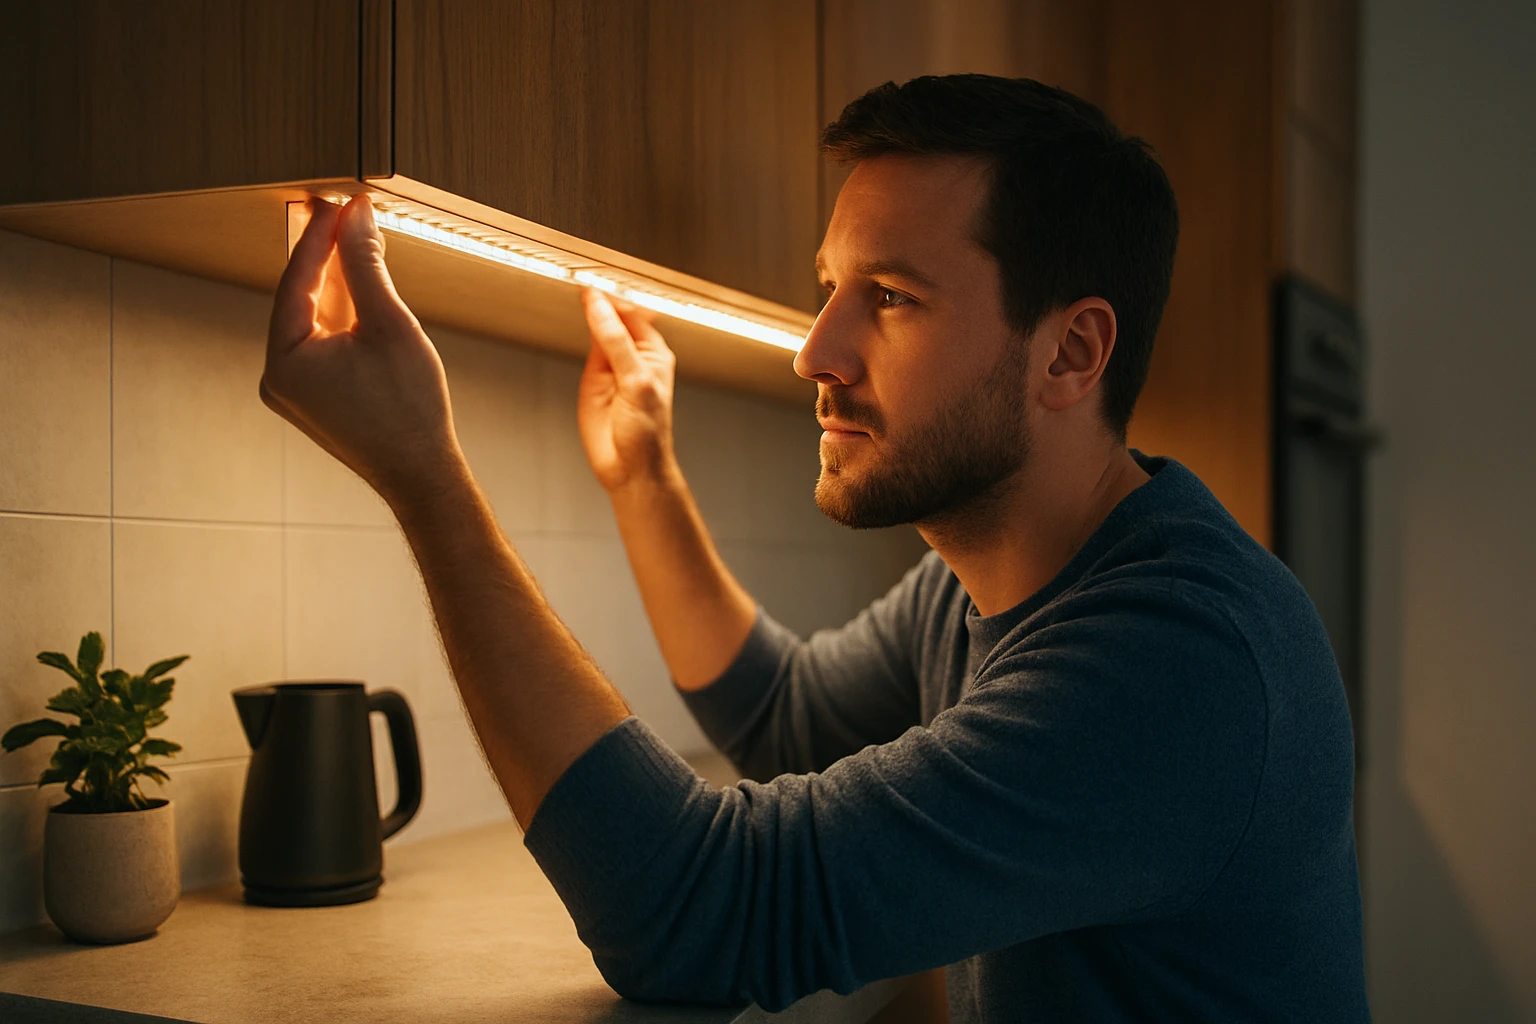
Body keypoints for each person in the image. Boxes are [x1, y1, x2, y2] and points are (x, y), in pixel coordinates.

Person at [259, 75, 1370, 1022]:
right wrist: (645, 477)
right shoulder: (984, 580)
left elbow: (702, 916)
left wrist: (428, 479)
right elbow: (785, 717)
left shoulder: (1175, 660)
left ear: (1070, 352)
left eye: (890, 296)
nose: (817, 349)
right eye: (826, 287)